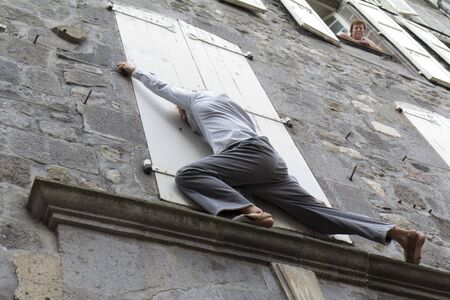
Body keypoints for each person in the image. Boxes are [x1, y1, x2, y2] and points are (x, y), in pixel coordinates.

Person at [117, 61, 425, 264]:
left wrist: (135, 71)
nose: (182, 115)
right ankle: (400, 234)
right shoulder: (231, 108)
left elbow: (163, 88)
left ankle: (250, 211)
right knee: (317, 216)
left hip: (247, 155)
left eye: (181, 112)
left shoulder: (196, 99)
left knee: (188, 175)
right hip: (266, 165)